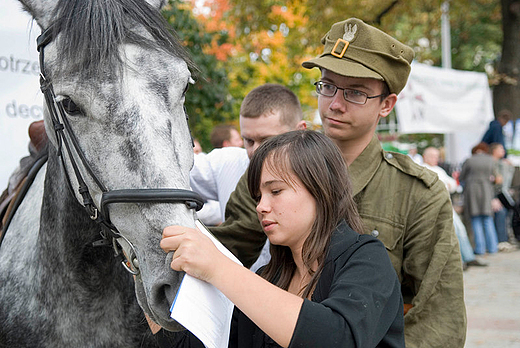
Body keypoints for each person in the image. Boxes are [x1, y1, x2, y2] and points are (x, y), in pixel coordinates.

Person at [210, 18, 466, 347]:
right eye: (327, 85)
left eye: (355, 92)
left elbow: (438, 316)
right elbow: (229, 247)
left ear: (386, 104)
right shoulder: (276, 169)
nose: (334, 103)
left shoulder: (416, 192)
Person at [162, 130, 405, 347]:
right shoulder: (268, 279)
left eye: (275, 191)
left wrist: (218, 267)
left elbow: (338, 337)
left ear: (320, 189)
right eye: (258, 196)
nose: (261, 207)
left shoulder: (367, 258)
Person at [422, 147, 487, 269]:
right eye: (433, 156)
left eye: (437, 156)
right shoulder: (422, 169)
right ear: (425, 156)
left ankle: (468, 257)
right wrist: (444, 185)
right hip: (433, 207)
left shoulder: (438, 170)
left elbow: (452, 185)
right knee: (450, 233)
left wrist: (445, 185)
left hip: (446, 203)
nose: (436, 159)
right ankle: (458, 261)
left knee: (460, 230)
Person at [459, 142, 499, 255]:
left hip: (472, 192)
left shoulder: (469, 160)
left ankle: (480, 249)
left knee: (476, 219)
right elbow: (496, 177)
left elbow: (462, 176)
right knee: (488, 219)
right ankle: (492, 247)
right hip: (487, 191)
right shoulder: (490, 160)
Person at [489, 142, 516, 252]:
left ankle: (504, 239)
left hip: (499, 194)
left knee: (510, 209)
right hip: (491, 196)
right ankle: (501, 241)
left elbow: (505, 180)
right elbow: (497, 182)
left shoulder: (501, 163)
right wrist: (493, 198)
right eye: (501, 149)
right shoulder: (490, 163)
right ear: (494, 151)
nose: (503, 151)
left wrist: (509, 166)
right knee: (502, 212)